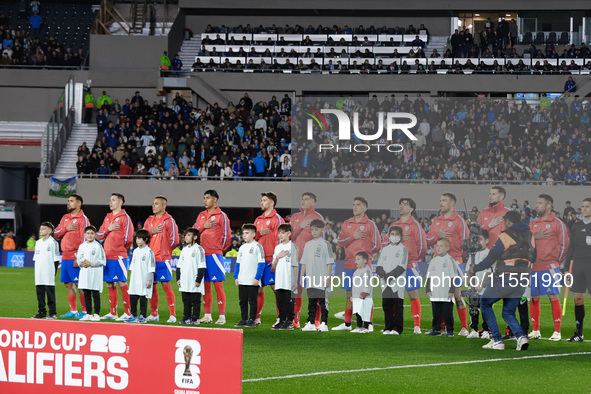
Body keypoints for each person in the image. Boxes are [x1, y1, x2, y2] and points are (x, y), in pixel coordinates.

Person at [470, 211, 534, 351]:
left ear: (509, 222)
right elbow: (533, 256)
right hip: (523, 279)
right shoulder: (530, 236)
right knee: (508, 312)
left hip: (505, 276)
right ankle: (521, 337)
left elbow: (491, 258)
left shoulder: (506, 236)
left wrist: (475, 268)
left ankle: (497, 340)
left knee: (485, 303)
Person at [333, 197, 381, 331]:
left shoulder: (370, 224)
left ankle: (368, 323)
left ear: (365, 208)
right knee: (350, 294)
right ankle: (347, 324)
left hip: (364, 266)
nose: (355, 207)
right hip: (349, 263)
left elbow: (378, 244)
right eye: (353, 204)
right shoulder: (347, 223)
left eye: (358, 205)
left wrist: (365, 257)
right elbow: (340, 242)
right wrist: (353, 236)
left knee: (365, 294)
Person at [426, 193, 469, 335]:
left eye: (444, 200)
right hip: (438, 261)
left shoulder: (459, 220)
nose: (441, 203)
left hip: (454, 260)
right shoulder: (436, 221)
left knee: (456, 293)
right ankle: (441, 327)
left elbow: (466, 242)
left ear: (452, 203)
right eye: (440, 200)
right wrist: (438, 234)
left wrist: (457, 257)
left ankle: (464, 327)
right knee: (440, 293)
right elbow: (429, 239)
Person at [528, 194, 569, 341]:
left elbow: (564, 244)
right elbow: (526, 241)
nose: (537, 205)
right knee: (534, 297)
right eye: (536, 202)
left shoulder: (558, 223)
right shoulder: (533, 223)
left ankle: (557, 331)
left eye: (540, 203)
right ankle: (535, 330)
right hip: (534, 266)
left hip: (550, 266)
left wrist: (556, 262)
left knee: (553, 295)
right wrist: (534, 237)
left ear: (548, 206)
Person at [384, 198, 427, 334]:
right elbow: (385, 243)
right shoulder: (394, 225)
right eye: (401, 204)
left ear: (412, 209)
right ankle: (394, 326)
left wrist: (413, 258)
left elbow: (423, 246)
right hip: (394, 267)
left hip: (410, 266)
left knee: (413, 293)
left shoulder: (415, 225)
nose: (402, 206)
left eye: (405, 204)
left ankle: (416, 325)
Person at [193, 190, 231, 325]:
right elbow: (193, 231)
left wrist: (219, 249)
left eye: (208, 198)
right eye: (204, 198)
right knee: (205, 286)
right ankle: (207, 315)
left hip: (214, 254)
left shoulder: (221, 215)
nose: (205, 200)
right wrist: (204, 226)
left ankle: (222, 316)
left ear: (215, 200)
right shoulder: (201, 215)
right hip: (202, 255)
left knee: (218, 285)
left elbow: (227, 236)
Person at [97, 193, 134, 321]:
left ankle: (128, 313)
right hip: (107, 256)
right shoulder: (107, 217)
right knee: (109, 283)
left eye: (113, 200)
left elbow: (129, 238)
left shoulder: (125, 218)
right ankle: (113, 312)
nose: (110, 202)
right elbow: (100, 234)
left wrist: (121, 249)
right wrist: (108, 228)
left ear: (120, 202)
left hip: (119, 256)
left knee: (122, 282)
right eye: (110, 200)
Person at [290, 192, 325, 328]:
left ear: (313, 202)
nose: (303, 201)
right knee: (296, 291)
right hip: (296, 261)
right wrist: (301, 226)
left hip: (312, 262)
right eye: (302, 198)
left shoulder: (318, 217)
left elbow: (323, 240)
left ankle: (316, 320)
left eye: (306, 199)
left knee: (314, 291)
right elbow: (290, 237)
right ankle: (295, 320)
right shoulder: (295, 217)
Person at [53, 194, 90, 319]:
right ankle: (73, 310)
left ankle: (85, 311)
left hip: (76, 255)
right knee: (68, 284)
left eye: (71, 201)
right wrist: (66, 228)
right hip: (65, 255)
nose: (68, 203)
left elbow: (86, 239)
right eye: (68, 201)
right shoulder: (65, 218)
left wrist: (79, 257)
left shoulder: (83, 219)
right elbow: (56, 233)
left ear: (79, 204)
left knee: (80, 284)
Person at [144, 196, 179, 323]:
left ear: (164, 206)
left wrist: (166, 250)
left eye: (157, 204)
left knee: (166, 285)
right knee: (151, 287)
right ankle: (154, 314)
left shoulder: (169, 220)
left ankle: (172, 315)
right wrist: (151, 232)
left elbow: (175, 240)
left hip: (163, 259)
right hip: (150, 259)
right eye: (153, 203)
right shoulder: (149, 220)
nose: (154, 206)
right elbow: (143, 237)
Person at [254, 192, 284, 326]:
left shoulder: (277, 218)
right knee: (259, 288)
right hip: (259, 259)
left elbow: (282, 239)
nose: (261, 202)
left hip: (271, 259)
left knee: (276, 288)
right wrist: (259, 233)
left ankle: (281, 317)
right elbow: (252, 238)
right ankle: (256, 318)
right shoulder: (258, 219)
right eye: (261, 200)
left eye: (264, 200)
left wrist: (276, 258)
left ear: (272, 203)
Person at [563, 198, 591, 342]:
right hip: (578, 266)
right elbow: (571, 248)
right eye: (583, 206)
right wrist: (567, 268)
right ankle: (578, 332)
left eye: (587, 207)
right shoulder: (576, 226)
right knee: (578, 299)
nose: (584, 209)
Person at [300, 219, 333, 333]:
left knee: (323, 302)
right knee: (311, 301)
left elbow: (329, 262)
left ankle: (324, 323)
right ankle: (311, 323)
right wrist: (301, 275)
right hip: (310, 278)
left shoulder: (325, 244)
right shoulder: (307, 244)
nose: (314, 231)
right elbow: (304, 261)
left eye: (316, 229)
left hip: (322, 278)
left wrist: (328, 277)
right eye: (312, 229)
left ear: (322, 230)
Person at [376, 226, 408, 335]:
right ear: (389, 236)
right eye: (392, 234)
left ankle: (397, 328)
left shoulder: (403, 249)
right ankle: (388, 327)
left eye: (397, 234)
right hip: (385, 282)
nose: (394, 236)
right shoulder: (385, 249)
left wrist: (389, 276)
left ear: (401, 236)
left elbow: (402, 266)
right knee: (386, 305)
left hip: (396, 282)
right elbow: (379, 266)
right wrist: (383, 275)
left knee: (398, 305)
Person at [234, 223, 265, 328]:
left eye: (247, 233)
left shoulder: (258, 246)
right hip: (242, 279)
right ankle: (243, 319)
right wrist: (236, 277)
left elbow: (261, 263)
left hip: (252, 280)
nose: (244, 235)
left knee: (252, 301)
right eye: (243, 233)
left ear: (253, 234)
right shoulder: (242, 247)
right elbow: (237, 263)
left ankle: (252, 320)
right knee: (242, 301)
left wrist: (257, 278)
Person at [425, 239, 457, 337]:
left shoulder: (450, 260)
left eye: (441, 246)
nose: (438, 247)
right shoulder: (433, 260)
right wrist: (428, 289)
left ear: (447, 248)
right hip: (435, 292)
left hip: (446, 292)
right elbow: (428, 276)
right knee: (436, 313)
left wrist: (451, 291)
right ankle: (436, 330)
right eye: (437, 246)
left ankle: (450, 331)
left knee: (448, 313)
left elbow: (453, 277)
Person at [271, 224, 298, 330]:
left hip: (289, 280)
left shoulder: (293, 247)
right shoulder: (277, 248)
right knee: (280, 302)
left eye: (283, 233)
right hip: (279, 280)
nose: (280, 235)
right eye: (279, 233)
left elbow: (295, 265)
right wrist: (278, 257)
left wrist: (295, 281)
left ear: (289, 233)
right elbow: (273, 267)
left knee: (289, 302)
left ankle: (290, 322)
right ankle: (281, 321)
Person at [465, 230, 492, 339]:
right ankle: (474, 329)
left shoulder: (490, 254)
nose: (478, 242)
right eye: (476, 239)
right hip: (473, 289)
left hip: (485, 289)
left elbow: (491, 271)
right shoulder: (473, 254)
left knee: (486, 309)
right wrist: (470, 285)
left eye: (481, 239)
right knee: (473, 309)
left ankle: (486, 330)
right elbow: (468, 270)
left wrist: (482, 284)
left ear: (487, 240)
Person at [176, 228, 206, 325]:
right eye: (186, 235)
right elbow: (179, 265)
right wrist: (178, 278)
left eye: (189, 235)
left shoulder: (199, 249)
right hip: (184, 280)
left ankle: (195, 318)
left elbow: (201, 266)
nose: (186, 237)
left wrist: (198, 280)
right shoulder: (184, 250)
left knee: (195, 301)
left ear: (195, 237)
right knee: (186, 301)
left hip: (194, 281)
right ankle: (186, 317)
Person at [76, 226, 106, 322]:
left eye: (92, 233)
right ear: (85, 235)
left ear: (95, 235)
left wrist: (91, 263)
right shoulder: (82, 246)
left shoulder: (98, 246)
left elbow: (102, 261)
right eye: (88, 233)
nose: (89, 235)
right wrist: (81, 263)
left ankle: (96, 314)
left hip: (95, 273)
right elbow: (78, 258)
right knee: (87, 294)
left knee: (95, 294)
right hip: (85, 272)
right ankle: (88, 313)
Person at [32, 222, 60, 319]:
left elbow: (56, 260)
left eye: (43, 228)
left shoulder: (53, 243)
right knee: (40, 293)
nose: (41, 230)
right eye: (40, 229)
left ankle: (53, 313)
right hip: (39, 272)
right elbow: (35, 258)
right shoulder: (38, 243)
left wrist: (53, 273)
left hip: (49, 272)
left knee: (50, 293)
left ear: (50, 231)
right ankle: (42, 311)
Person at [127, 229, 155, 323]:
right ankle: (133, 315)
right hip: (135, 279)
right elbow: (133, 266)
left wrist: (149, 280)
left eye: (139, 238)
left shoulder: (149, 252)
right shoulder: (135, 251)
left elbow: (151, 268)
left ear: (145, 239)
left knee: (143, 298)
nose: (137, 240)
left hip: (144, 279)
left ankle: (143, 316)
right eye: (136, 238)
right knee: (133, 298)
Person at [351, 252, 373, 333]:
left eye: (358, 259)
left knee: (365, 311)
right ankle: (359, 326)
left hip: (364, 296)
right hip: (357, 295)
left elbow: (367, 283)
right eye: (355, 259)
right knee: (358, 311)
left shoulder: (366, 271)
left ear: (365, 261)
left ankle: (366, 327)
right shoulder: (357, 271)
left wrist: (364, 293)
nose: (356, 261)